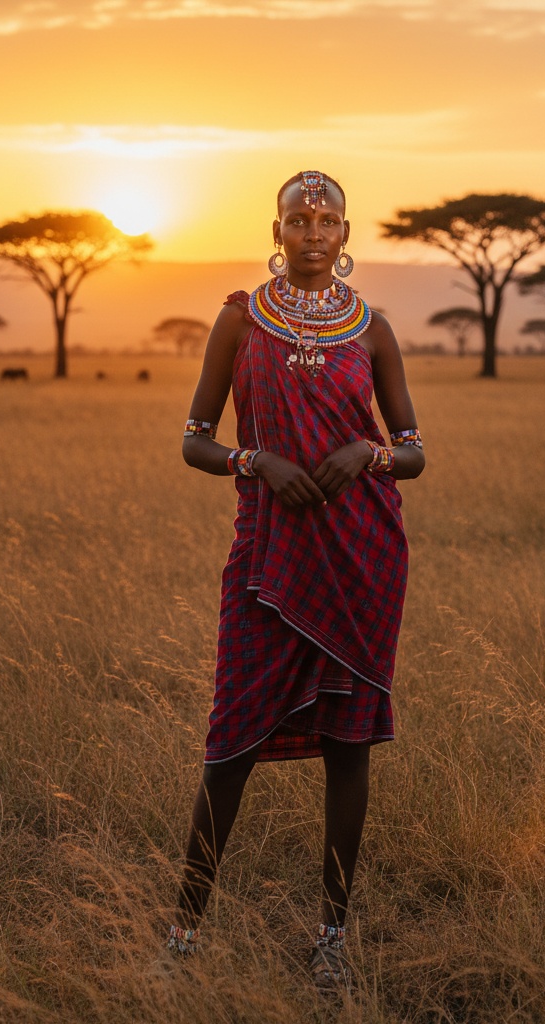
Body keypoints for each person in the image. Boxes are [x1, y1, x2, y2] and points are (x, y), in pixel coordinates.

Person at [171, 170, 425, 995]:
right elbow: (194, 438)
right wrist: (254, 459)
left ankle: (332, 938)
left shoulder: (374, 329)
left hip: (362, 560)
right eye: (298, 219)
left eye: (328, 220)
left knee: (348, 750)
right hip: (267, 557)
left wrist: (369, 453)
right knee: (229, 748)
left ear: (347, 236)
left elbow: (414, 449)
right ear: (275, 230)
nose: (313, 232)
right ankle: (182, 933)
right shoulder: (241, 320)